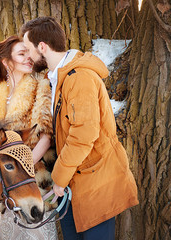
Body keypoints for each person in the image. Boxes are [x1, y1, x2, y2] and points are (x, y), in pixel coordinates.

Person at [20, 16, 139, 240]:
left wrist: (59, 179)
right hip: (74, 186)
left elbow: (84, 135)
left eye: (28, 49)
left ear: (42, 47)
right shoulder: (58, 78)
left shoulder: (79, 78)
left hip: (96, 185)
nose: (28, 55)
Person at [0, 35, 58, 239]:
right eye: (21, 54)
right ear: (6, 61)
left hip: (34, 177)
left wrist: (22, 169)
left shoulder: (41, 85)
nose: (28, 58)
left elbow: (46, 136)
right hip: (4, 184)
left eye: (28, 53)